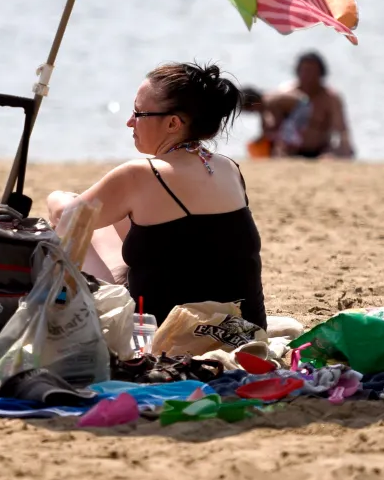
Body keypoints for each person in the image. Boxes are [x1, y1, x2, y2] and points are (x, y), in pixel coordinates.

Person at [45, 62, 266, 329]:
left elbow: (66, 218)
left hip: (167, 334)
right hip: (245, 329)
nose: (129, 122)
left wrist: (58, 196)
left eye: (138, 113)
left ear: (173, 123)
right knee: (108, 221)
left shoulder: (141, 174)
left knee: (69, 226)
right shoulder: (228, 167)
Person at [268, 51, 354, 159]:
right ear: (298, 72)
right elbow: (268, 117)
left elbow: (341, 129)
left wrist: (344, 150)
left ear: (321, 74)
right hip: (288, 150)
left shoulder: (330, 98)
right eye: (305, 71)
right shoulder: (285, 94)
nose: (309, 76)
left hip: (320, 150)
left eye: (313, 72)